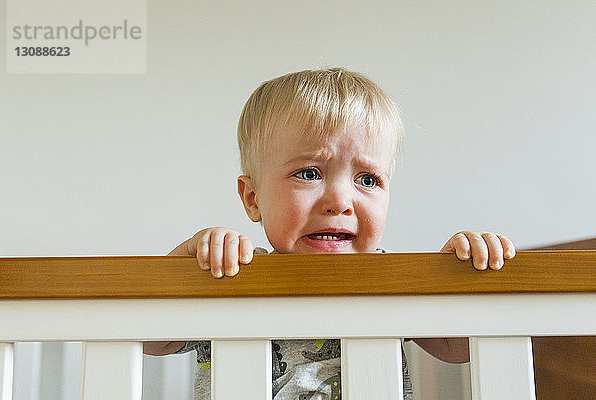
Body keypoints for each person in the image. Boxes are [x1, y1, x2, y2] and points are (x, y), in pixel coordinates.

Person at [143, 68, 516, 400]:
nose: (340, 201)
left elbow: (461, 348)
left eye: (367, 179)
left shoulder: (395, 279)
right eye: (309, 173)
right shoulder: (231, 273)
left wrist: (465, 273)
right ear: (253, 198)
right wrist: (191, 258)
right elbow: (149, 337)